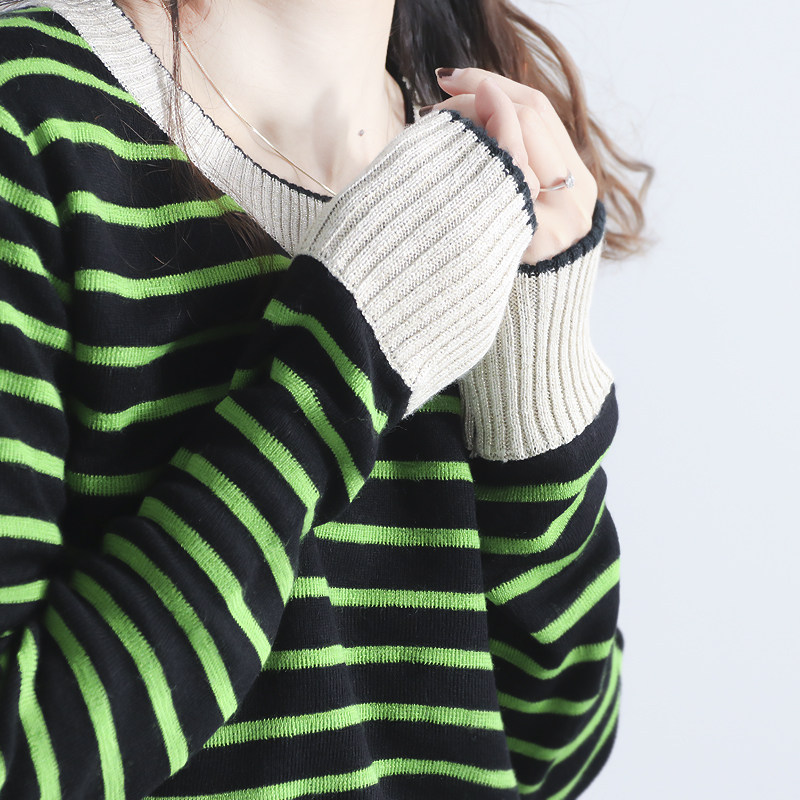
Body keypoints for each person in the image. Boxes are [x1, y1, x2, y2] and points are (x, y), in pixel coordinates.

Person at [0, 0, 652, 798]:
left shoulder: (475, 189)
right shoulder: (26, 121)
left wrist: (536, 389)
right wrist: (339, 364)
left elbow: (553, 756)